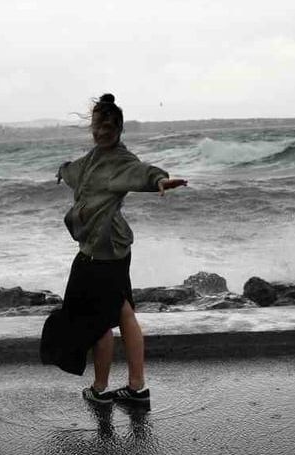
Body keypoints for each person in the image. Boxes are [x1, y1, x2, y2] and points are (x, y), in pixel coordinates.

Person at [39, 93, 187, 407]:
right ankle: (134, 388)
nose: (101, 134)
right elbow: (76, 170)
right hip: (106, 248)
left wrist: (160, 180)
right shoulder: (94, 157)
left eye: (107, 129)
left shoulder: (121, 160)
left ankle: (103, 389)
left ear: (118, 129)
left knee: (101, 319)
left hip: (104, 251)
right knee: (120, 312)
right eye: (97, 128)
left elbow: (142, 172)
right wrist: (62, 170)